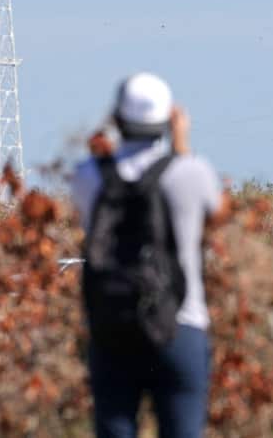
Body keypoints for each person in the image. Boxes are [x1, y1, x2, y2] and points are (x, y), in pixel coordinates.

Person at [71, 72, 222, 438]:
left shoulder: (88, 176)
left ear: (117, 119)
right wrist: (181, 144)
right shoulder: (191, 173)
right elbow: (217, 213)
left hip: (112, 327)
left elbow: (83, 210)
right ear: (169, 119)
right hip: (179, 324)